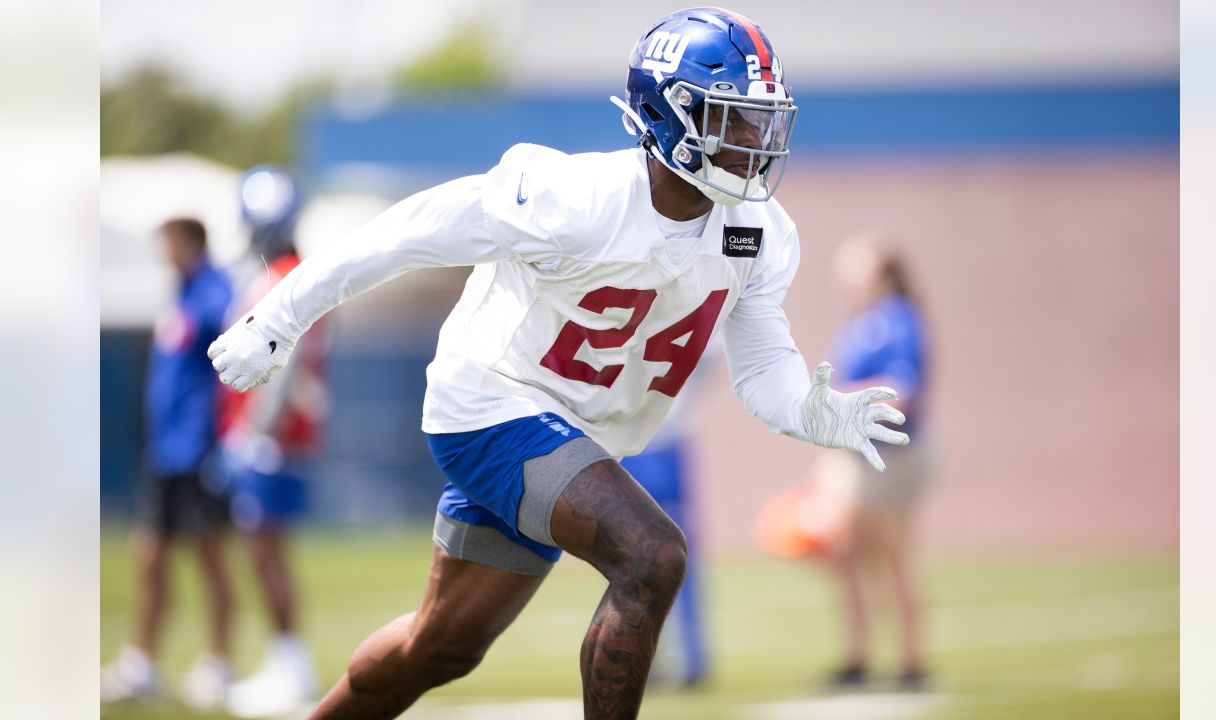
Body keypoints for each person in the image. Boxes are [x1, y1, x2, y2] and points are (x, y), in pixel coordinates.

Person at [207, 8, 909, 719]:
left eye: (763, 121)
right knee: (652, 555)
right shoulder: (575, 198)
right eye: (734, 119)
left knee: (441, 647)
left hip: (572, 439)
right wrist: (280, 316)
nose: (755, 143)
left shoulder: (758, 233)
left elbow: (763, 367)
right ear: (670, 115)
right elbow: (406, 233)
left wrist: (809, 410)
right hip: (490, 406)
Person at [101, 218, 237, 710]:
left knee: (211, 558)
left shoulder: (215, 292)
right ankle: (140, 664)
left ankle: (220, 664)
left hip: (198, 452)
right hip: (165, 453)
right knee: (150, 556)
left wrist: (219, 441)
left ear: (189, 242)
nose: (162, 252)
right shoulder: (177, 294)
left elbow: (231, 365)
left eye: (168, 242)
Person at [216, 165, 325, 718]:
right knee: (261, 551)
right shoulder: (278, 271)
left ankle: (290, 662)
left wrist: (254, 431)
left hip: (274, 438)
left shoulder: (289, 274)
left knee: (265, 551)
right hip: (266, 435)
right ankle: (285, 659)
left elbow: (288, 362)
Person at [819, 235, 934, 690]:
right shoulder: (861, 322)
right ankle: (859, 655)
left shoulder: (898, 321)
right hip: (861, 453)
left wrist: (840, 399)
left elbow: (900, 388)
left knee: (892, 557)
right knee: (847, 555)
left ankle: (911, 660)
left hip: (893, 454)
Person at [618, 356, 714, 688]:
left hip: (661, 443)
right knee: (624, 557)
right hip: (626, 443)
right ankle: (639, 656)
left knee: (674, 553)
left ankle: (688, 657)